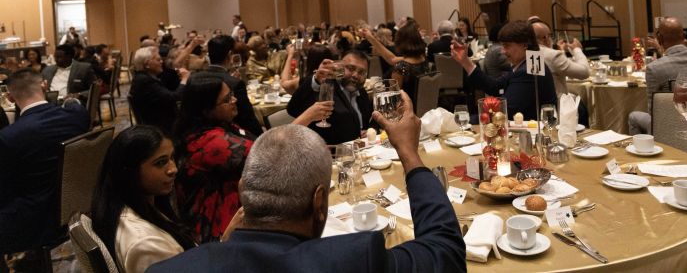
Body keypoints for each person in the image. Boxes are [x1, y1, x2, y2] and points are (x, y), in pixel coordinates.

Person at [147, 91, 466, 273]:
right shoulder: (352, 259)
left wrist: (219, 248)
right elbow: (445, 252)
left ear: (243, 190)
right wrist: (409, 153)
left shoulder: (167, 270)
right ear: (319, 202)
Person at [0, 69, 89, 255]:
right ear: (45, 86)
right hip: (80, 204)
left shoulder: (8, 137)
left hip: (36, 221)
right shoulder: (78, 117)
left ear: (10, 98)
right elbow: (76, 106)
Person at [91, 125, 196, 272]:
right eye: (160, 162)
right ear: (129, 172)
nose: (173, 169)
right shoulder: (146, 245)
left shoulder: (126, 204)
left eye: (172, 157)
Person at [173, 72, 255, 243]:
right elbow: (269, 154)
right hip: (216, 228)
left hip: (237, 207)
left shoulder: (221, 124)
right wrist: (308, 115)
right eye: (227, 99)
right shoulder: (209, 141)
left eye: (232, 94)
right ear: (206, 110)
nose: (234, 100)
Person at [451, 20, 556, 120]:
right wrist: (465, 62)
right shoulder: (522, 65)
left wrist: (466, 120)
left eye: (507, 46)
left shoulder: (528, 70)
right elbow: (494, 86)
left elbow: (505, 111)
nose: (503, 51)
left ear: (524, 45)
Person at [628, 17, 687, 135]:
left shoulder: (654, 68)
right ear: (684, 36)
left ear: (659, 39)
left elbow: (653, 111)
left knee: (633, 117)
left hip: (672, 127)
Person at [287, 50, 376, 145]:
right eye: (351, 69)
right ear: (339, 67)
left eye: (361, 72)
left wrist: (368, 131)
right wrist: (316, 80)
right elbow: (293, 109)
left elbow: (369, 121)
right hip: (329, 150)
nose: (355, 75)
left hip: (363, 149)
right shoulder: (325, 87)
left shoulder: (362, 92)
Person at [204, 35, 263, 137]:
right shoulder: (235, 83)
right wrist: (261, 137)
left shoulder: (196, 78)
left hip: (204, 133)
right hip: (231, 134)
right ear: (230, 54)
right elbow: (247, 118)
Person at [362, 24, 428, 110]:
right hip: (423, 108)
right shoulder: (423, 58)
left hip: (406, 110)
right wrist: (370, 38)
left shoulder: (400, 68)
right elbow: (392, 59)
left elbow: (394, 101)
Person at [129, 46, 190, 135]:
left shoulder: (143, 77)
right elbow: (175, 97)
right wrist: (185, 80)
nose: (162, 62)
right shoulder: (145, 81)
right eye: (158, 60)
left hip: (157, 120)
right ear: (147, 64)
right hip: (161, 126)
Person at [532, 21, 590, 95]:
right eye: (551, 36)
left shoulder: (531, 53)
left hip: (539, 99)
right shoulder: (553, 55)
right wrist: (577, 49)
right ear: (545, 38)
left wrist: (561, 51)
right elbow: (584, 72)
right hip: (557, 100)